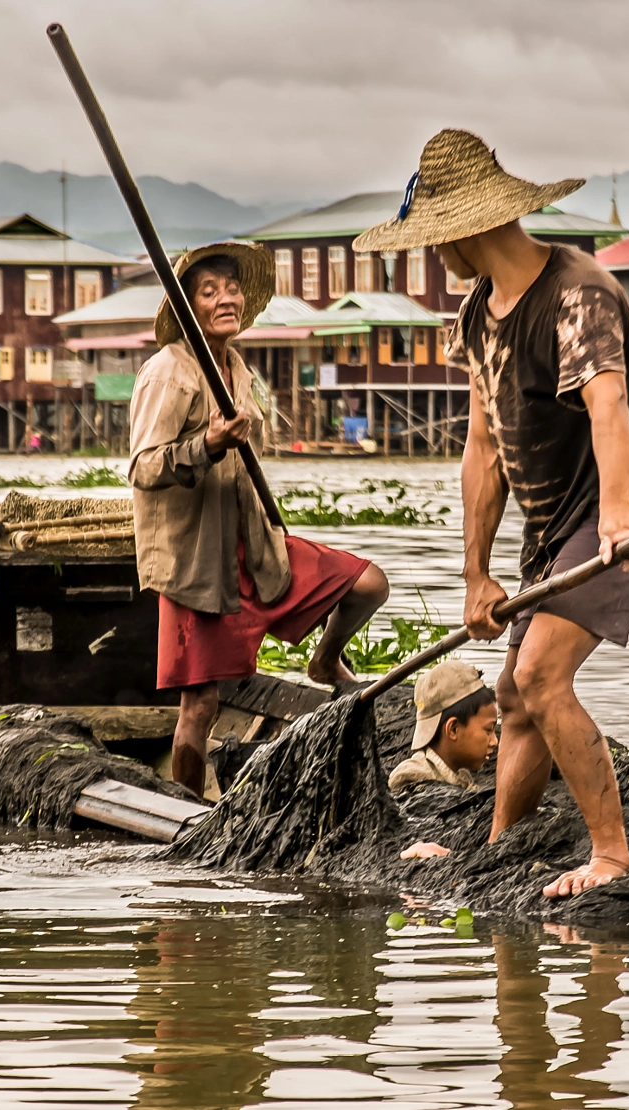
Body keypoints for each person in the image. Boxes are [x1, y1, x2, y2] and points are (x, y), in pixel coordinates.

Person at [355, 130, 629, 898]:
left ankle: (610, 856)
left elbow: (609, 407)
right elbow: (483, 450)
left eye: (439, 242)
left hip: (610, 509)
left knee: (539, 674)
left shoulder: (578, 293)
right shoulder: (476, 314)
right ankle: (501, 846)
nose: (438, 257)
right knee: (512, 699)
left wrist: (622, 512)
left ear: (470, 228)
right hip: (549, 523)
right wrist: (474, 573)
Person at [129, 242, 391, 798]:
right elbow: (144, 468)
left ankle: (325, 661)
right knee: (199, 705)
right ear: (188, 307)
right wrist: (207, 444)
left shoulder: (237, 368)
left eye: (231, 288)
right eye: (209, 291)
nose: (226, 299)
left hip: (255, 546)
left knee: (368, 583)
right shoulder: (167, 372)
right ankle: (188, 815)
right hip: (198, 565)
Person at [388, 660, 500, 795]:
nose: (495, 742)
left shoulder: (462, 775)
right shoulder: (411, 777)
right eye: (488, 730)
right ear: (453, 729)